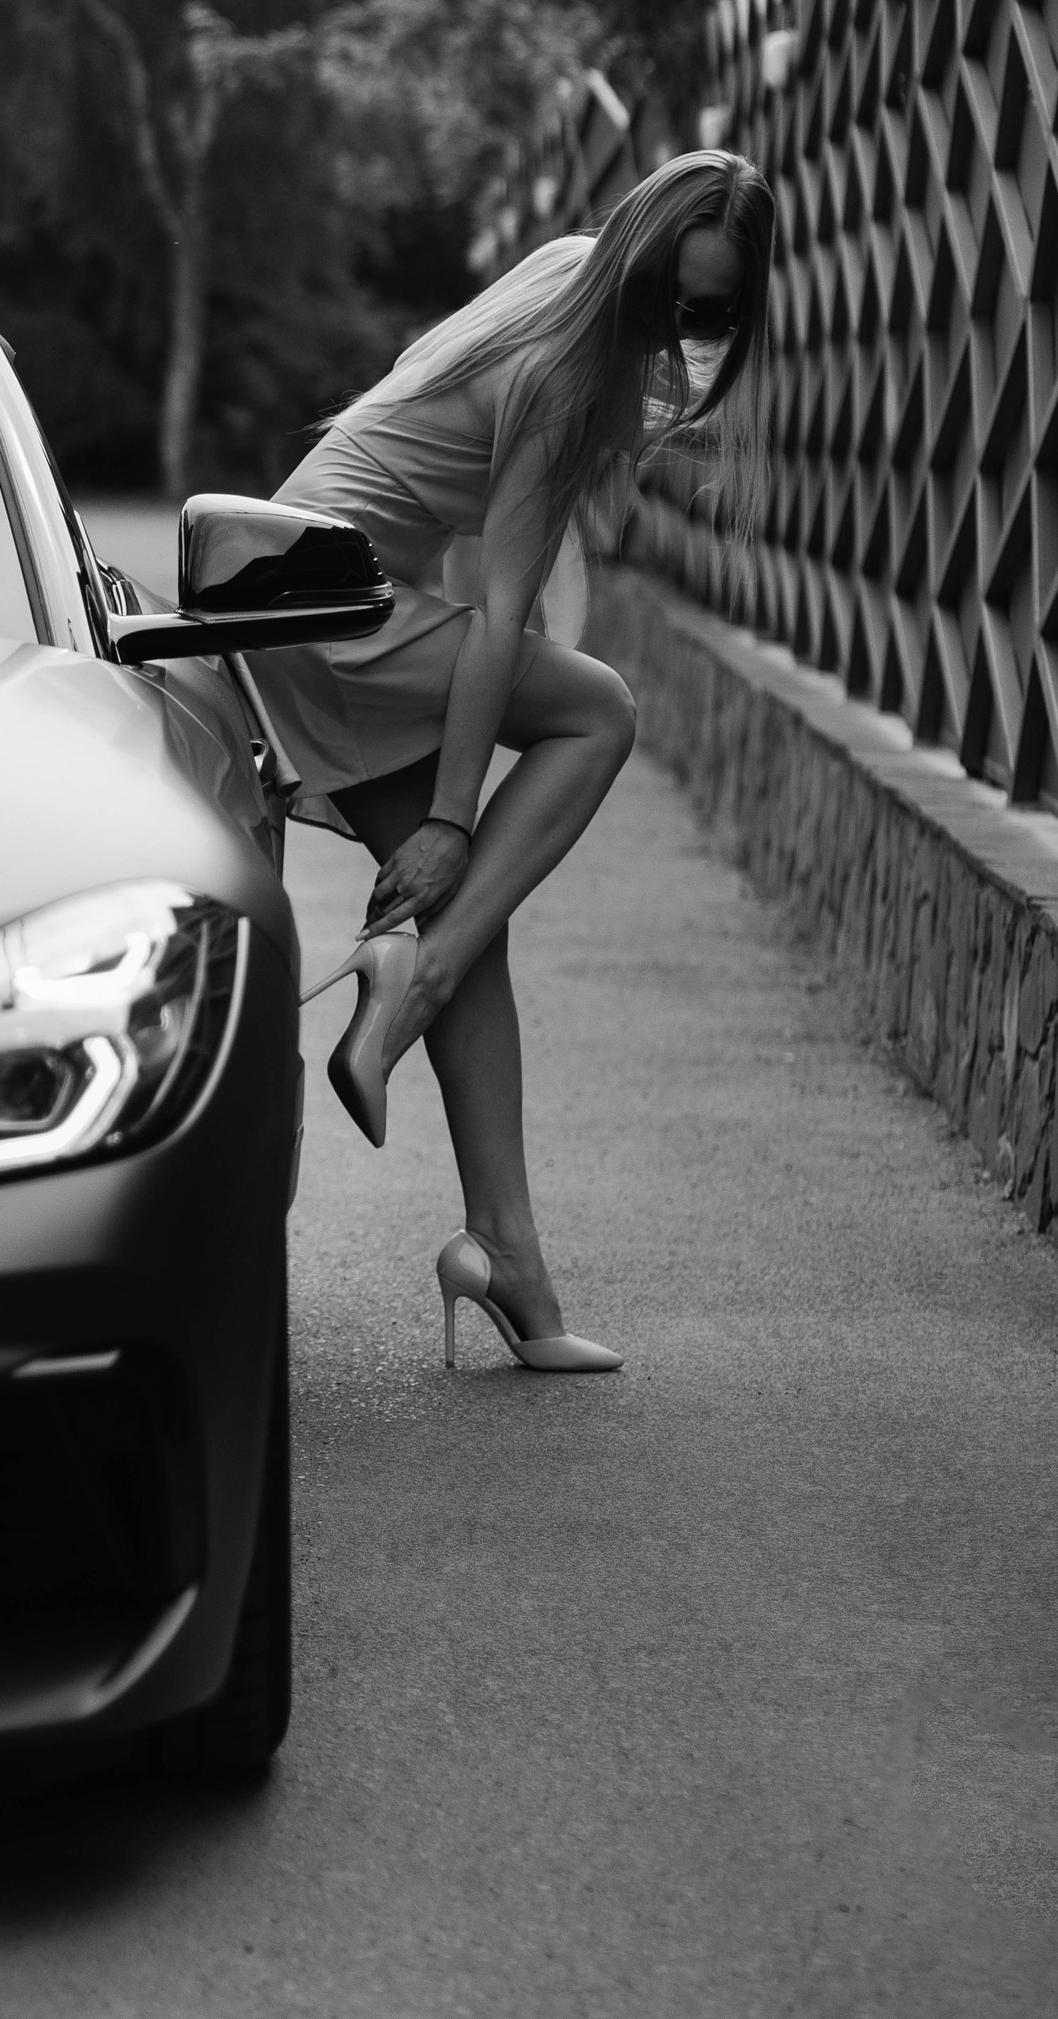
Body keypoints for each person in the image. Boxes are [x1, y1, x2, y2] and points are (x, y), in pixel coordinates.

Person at [251, 150, 776, 1373]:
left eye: (703, 314)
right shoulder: (566, 371)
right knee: (598, 712)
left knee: (467, 914)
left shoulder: (560, 278)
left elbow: (482, 541)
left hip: (295, 586)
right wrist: (449, 813)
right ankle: (413, 986)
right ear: (630, 253)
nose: (672, 327)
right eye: (661, 293)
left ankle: (509, 1260)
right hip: (332, 601)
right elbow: (497, 615)